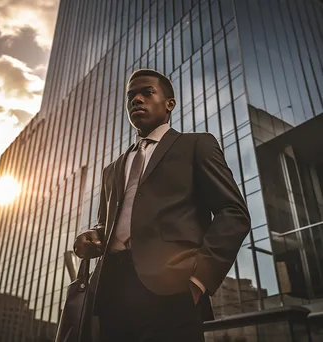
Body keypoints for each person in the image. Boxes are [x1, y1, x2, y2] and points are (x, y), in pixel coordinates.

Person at [73, 69, 251, 342]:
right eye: (131, 95)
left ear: (169, 104)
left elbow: (233, 212)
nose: (136, 99)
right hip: (112, 294)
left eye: (147, 92)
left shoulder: (196, 145)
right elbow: (106, 223)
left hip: (173, 290)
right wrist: (92, 236)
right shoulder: (111, 169)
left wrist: (198, 280)